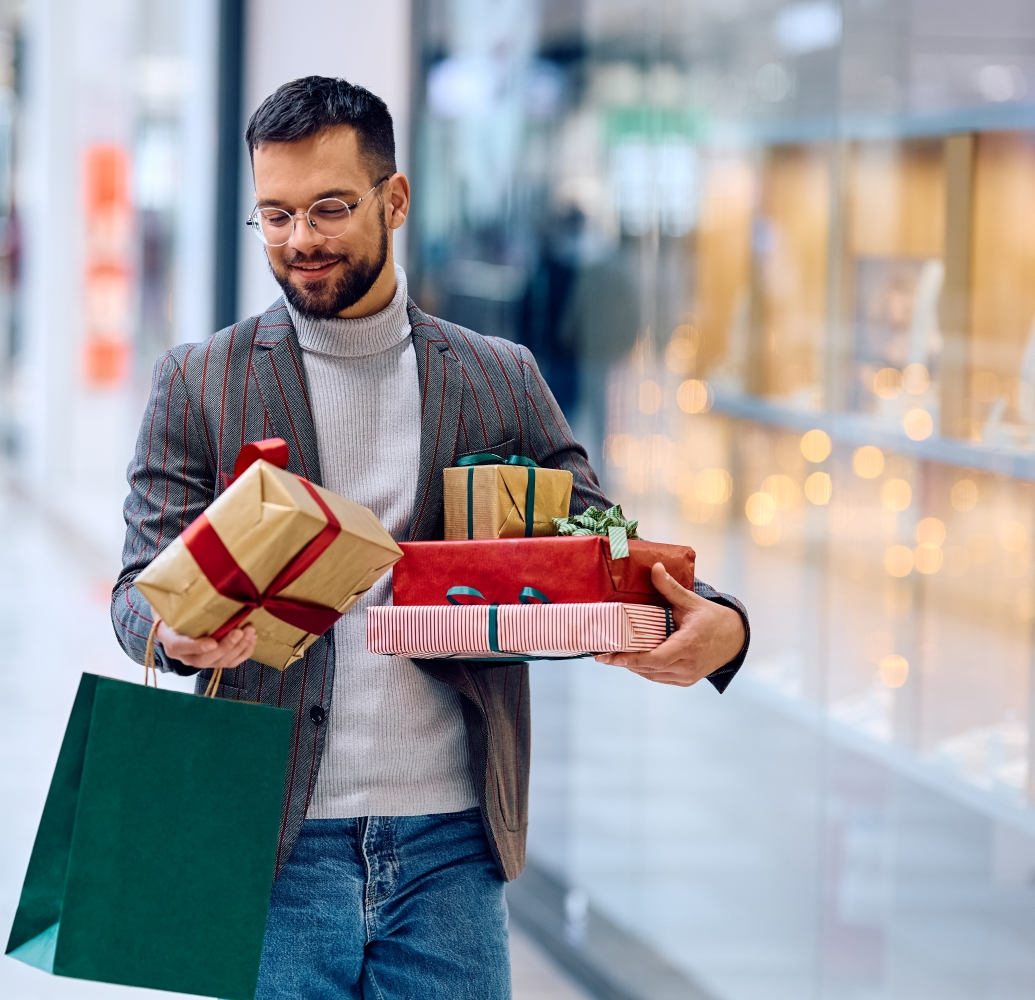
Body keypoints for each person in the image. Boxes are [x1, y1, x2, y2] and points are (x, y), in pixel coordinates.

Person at [111, 76, 749, 1000]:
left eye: (329, 207)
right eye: (275, 215)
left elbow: (598, 554)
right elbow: (135, 591)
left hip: (449, 850)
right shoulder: (199, 383)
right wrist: (170, 634)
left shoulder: (497, 379)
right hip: (267, 844)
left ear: (395, 199)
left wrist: (722, 626)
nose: (300, 241)